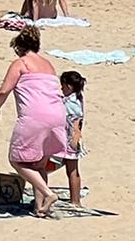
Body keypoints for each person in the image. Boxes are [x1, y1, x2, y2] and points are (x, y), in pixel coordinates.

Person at [0, 26, 66, 218]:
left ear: (20, 47)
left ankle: (48, 194)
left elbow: (4, 90)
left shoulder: (20, 63)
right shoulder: (48, 64)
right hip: (57, 116)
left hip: (34, 117)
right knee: (39, 163)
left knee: (16, 160)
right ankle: (39, 208)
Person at [52, 71, 86, 206]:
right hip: (75, 140)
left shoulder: (69, 102)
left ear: (69, 86)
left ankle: (75, 201)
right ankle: (75, 200)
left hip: (68, 139)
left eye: (63, 86)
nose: (61, 88)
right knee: (73, 171)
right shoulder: (78, 98)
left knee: (71, 171)